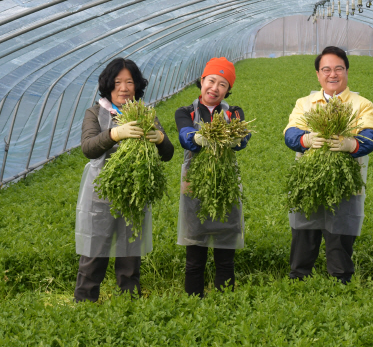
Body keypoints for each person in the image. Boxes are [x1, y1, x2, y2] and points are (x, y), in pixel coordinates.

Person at [74, 58, 174, 302]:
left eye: (129, 82)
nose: (124, 88)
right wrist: (114, 134)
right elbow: (88, 148)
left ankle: (128, 305)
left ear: (136, 86)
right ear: (109, 86)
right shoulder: (95, 112)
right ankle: (85, 302)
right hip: (101, 192)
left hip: (133, 194)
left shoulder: (145, 114)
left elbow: (168, 154)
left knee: (130, 252)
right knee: (94, 250)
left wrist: (160, 138)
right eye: (118, 82)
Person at [284, 46, 373, 284]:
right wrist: (304, 140)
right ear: (318, 74)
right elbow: (291, 132)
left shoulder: (361, 104)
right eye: (326, 69)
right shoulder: (305, 103)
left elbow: (370, 136)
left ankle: (341, 284)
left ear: (347, 71)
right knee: (304, 235)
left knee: (340, 238)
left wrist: (351, 144)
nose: (332, 74)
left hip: (346, 182)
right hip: (309, 182)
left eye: (338, 68)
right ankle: (299, 282)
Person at [175, 57, 251, 297]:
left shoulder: (234, 113)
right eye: (211, 81)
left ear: (228, 90)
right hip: (194, 183)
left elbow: (243, 140)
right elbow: (185, 135)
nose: (215, 88)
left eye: (222, 84)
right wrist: (197, 138)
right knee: (195, 252)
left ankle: (224, 302)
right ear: (202, 81)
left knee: (225, 251)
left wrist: (237, 138)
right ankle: (193, 300)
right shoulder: (185, 112)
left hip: (225, 182)